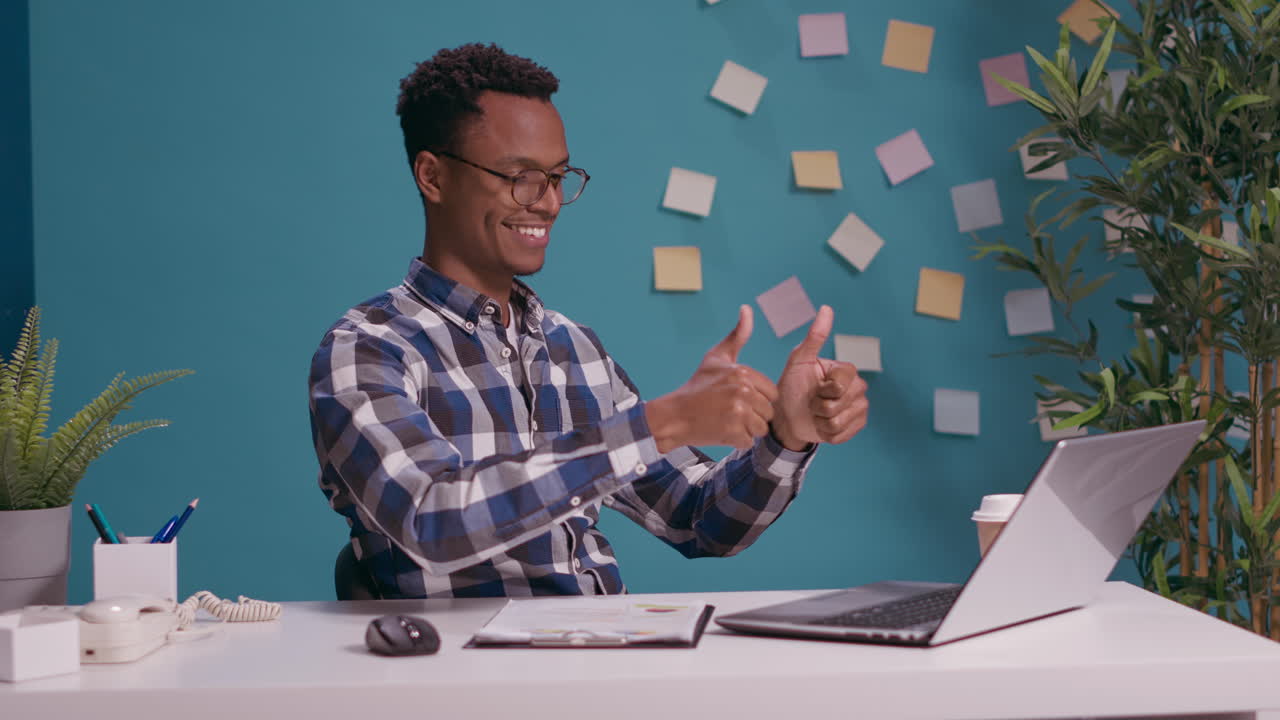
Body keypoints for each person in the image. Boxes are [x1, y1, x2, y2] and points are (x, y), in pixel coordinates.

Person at [308, 43, 869, 599]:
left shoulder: (572, 349)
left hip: (597, 661)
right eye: (520, 177)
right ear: (433, 177)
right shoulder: (368, 350)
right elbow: (432, 519)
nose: (548, 203)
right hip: (460, 678)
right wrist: (660, 424)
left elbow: (700, 520)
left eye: (557, 178)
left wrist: (788, 438)